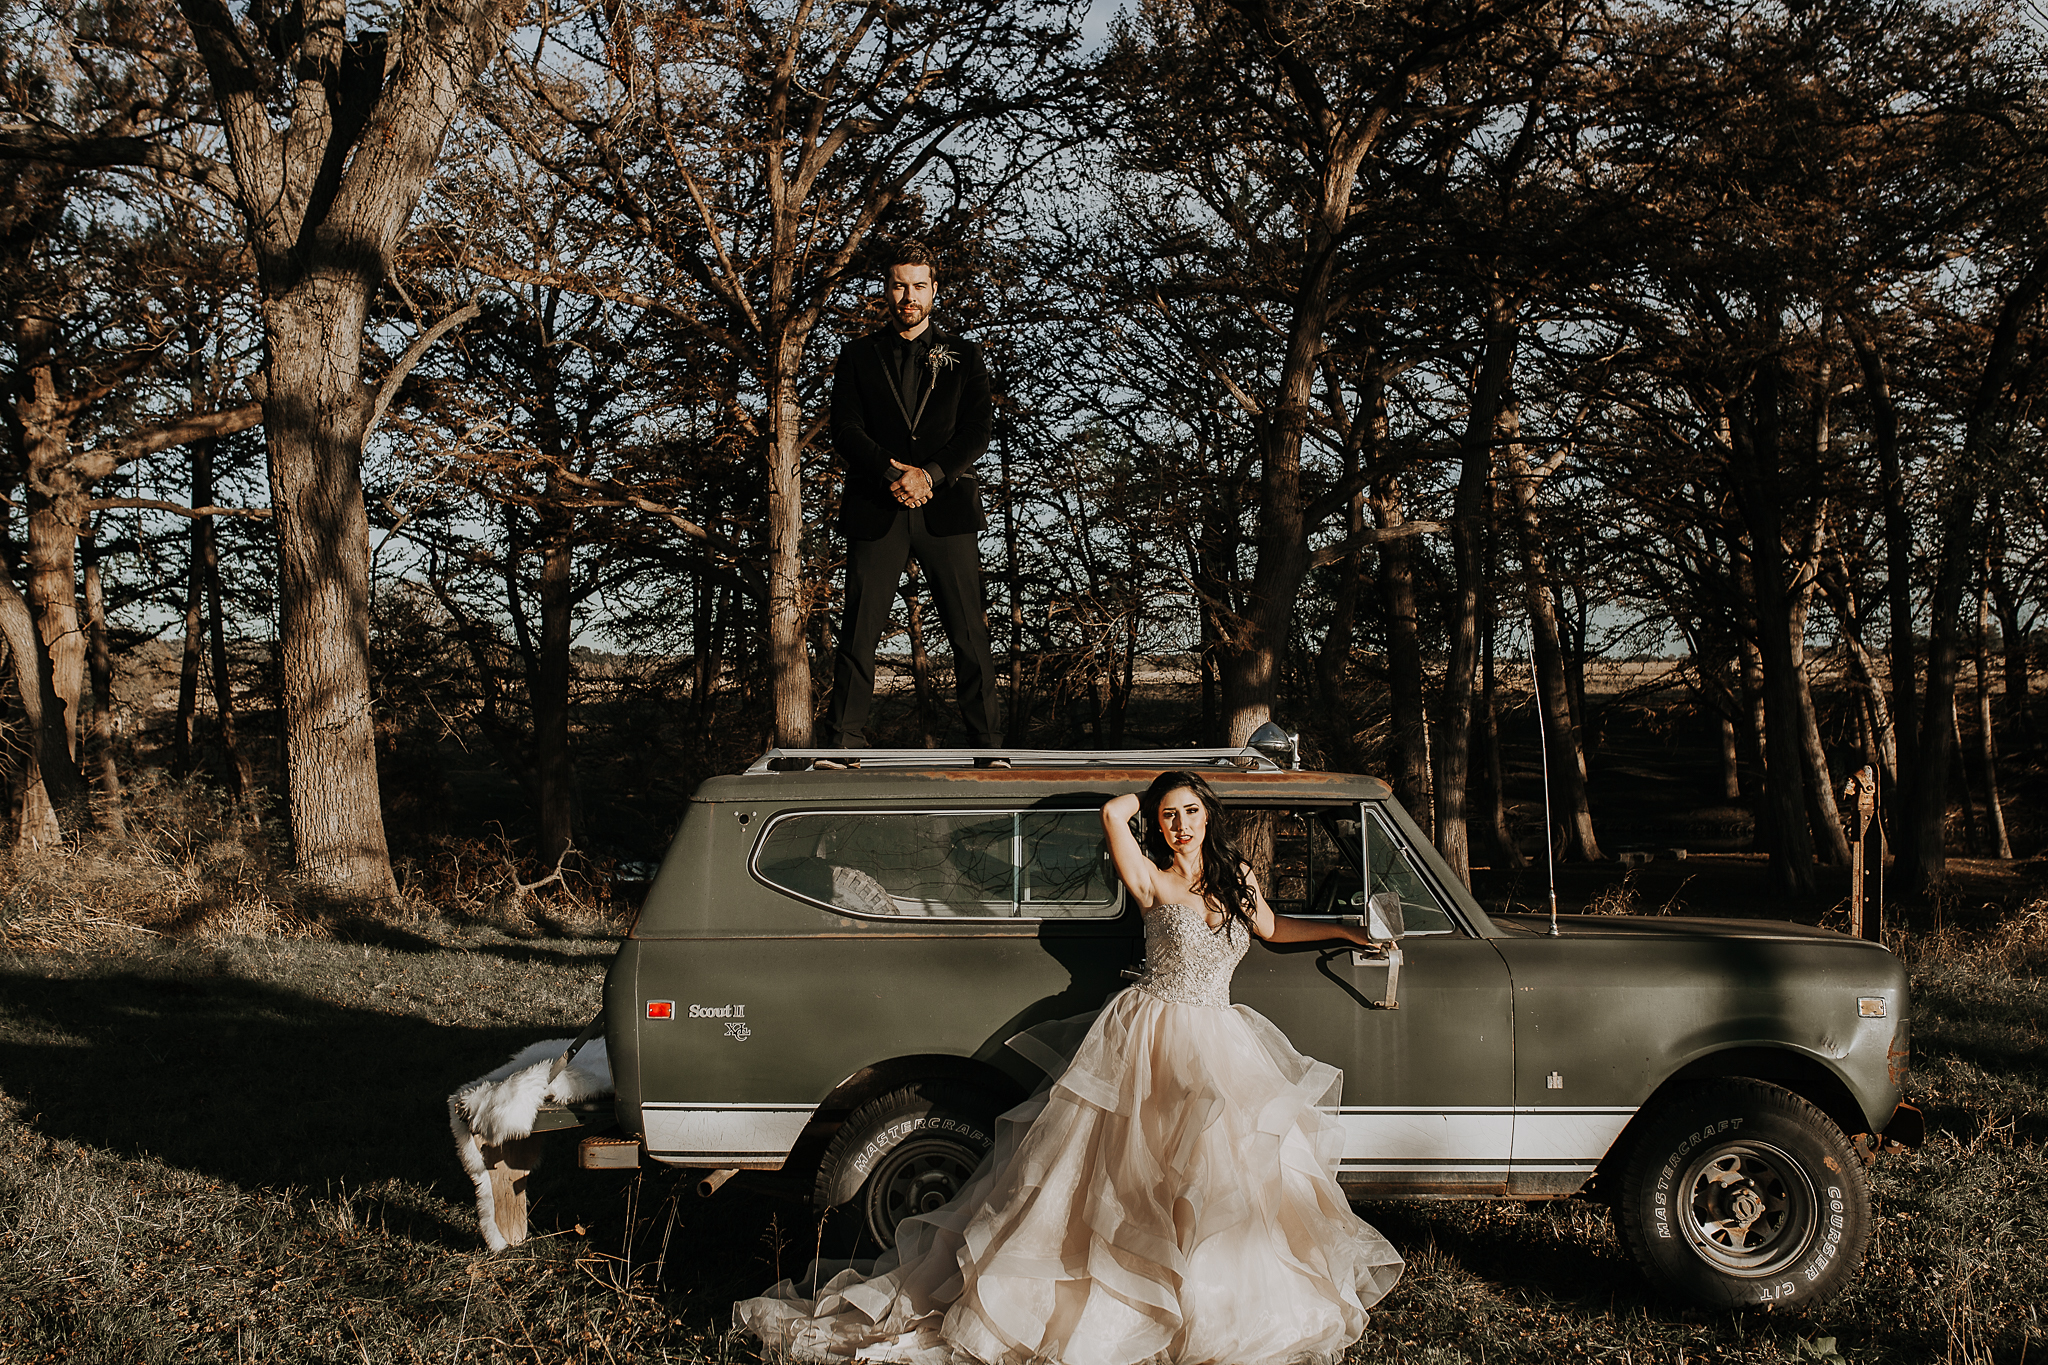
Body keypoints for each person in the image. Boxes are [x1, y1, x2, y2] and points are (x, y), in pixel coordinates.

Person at [734, 770, 1404, 1364]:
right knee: (1130, 1178)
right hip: (1154, 1033)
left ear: (1210, 814)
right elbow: (1114, 815)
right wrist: (1144, 797)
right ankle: (1127, 1306)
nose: (1181, 823)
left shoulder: (1238, 878)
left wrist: (1349, 932)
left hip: (1222, 1034)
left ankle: (1208, 1304)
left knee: (1218, 1176)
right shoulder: (1149, 874)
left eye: (1192, 811)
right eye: (1169, 813)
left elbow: (1272, 928)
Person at [822, 241, 1002, 761]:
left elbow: (976, 432)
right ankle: (843, 742)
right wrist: (889, 471)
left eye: (918, 285)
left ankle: (988, 746)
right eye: (899, 284)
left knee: (970, 632)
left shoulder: (966, 357)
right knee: (859, 631)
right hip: (877, 507)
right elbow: (845, 428)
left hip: (944, 508)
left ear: (934, 291)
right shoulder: (857, 355)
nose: (909, 295)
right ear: (886, 289)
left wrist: (930, 474)